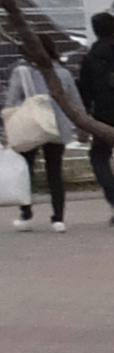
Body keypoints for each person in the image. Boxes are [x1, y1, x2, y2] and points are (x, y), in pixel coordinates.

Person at [76, 10, 114, 223]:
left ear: (94, 30)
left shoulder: (91, 57)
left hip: (103, 113)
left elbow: (84, 90)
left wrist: (83, 119)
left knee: (99, 156)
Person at [5, 52, 69, 231]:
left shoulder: (22, 72)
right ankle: (58, 218)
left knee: (26, 171)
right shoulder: (61, 72)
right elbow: (73, 99)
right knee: (55, 172)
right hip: (56, 126)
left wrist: (7, 129)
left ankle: (26, 214)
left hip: (30, 127)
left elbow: (11, 101)